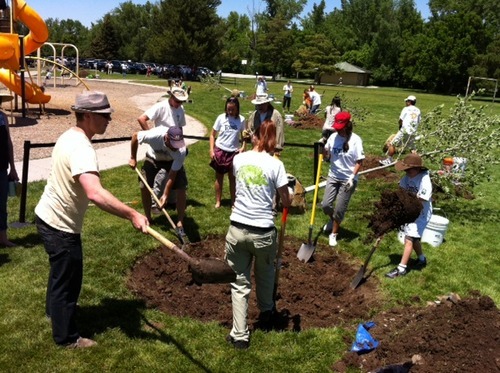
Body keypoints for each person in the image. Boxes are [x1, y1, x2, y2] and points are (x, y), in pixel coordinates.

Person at [34, 91, 149, 348]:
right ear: (86, 115)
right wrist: (132, 213)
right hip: (60, 224)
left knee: (60, 273)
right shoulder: (82, 148)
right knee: (69, 279)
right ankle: (67, 338)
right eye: (103, 115)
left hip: (47, 216)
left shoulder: (70, 135)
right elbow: (95, 192)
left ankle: (54, 313)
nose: (108, 119)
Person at [225, 120, 291, 350]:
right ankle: (267, 311)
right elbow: (286, 200)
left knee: (239, 282)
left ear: (253, 136)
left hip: (237, 228)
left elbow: (238, 185)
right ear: (274, 140)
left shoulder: (238, 159)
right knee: (265, 274)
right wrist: (286, 196)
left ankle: (240, 335)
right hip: (263, 231)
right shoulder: (276, 165)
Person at [129, 126, 188, 237]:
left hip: (171, 161)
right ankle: (148, 218)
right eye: (174, 145)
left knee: (181, 187)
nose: (176, 148)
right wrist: (133, 157)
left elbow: (172, 174)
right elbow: (135, 136)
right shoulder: (154, 136)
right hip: (153, 158)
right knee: (143, 186)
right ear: (166, 138)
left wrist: (165, 195)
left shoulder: (181, 150)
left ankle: (180, 223)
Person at [137, 87, 188, 210]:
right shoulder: (161, 106)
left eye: (181, 101)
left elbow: (180, 128)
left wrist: (180, 142)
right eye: (177, 101)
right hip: (160, 145)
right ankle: (153, 208)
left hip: (174, 147)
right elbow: (142, 118)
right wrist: (150, 136)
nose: (179, 104)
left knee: (174, 176)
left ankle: (170, 201)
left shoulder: (180, 109)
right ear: (171, 97)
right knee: (150, 182)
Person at [321, 112, 364, 247]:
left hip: (348, 179)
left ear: (346, 125)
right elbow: (327, 155)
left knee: (340, 208)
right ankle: (333, 220)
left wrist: (352, 177)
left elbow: (360, 161)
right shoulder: (333, 137)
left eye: (340, 127)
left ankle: (333, 233)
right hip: (333, 176)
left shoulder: (356, 140)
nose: (337, 129)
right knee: (326, 205)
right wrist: (323, 150)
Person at [386, 153, 432, 278]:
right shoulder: (406, 177)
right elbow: (401, 192)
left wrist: (406, 203)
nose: (406, 171)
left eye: (408, 169)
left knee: (409, 238)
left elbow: (422, 198)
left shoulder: (424, 179)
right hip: (410, 211)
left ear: (417, 169)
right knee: (414, 237)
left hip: (422, 213)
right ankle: (422, 260)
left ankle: (401, 269)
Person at [210, 97, 246, 208]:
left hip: (233, 152)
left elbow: (244, 136)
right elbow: (212, 135)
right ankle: (218, 201)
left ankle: (233, 202)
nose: (230, 111)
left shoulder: (241, 119)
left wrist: (243, 147)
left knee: (233, 178)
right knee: (219, 177)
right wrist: (212, 150)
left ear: (237, 109)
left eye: (232, 109)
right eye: (228, 109)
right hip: (220, 150)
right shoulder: (221, 118)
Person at [380, 95, 421, 166]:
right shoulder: (418, 110)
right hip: (413, 131)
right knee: (412, 148)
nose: (406, 102)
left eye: (407, 101)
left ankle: (389, 160)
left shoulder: (406, 109)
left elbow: (400, 120)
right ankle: (416, 163)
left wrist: (400, 126)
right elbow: (419, 121)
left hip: (404, 130)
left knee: (392, 144)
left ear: (409, 102)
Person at [0, 92, 18, 247]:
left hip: (1, 167)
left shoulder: (3, 117)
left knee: (1, 204)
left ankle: (3, 237)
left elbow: (8, 143)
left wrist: (13, 167)